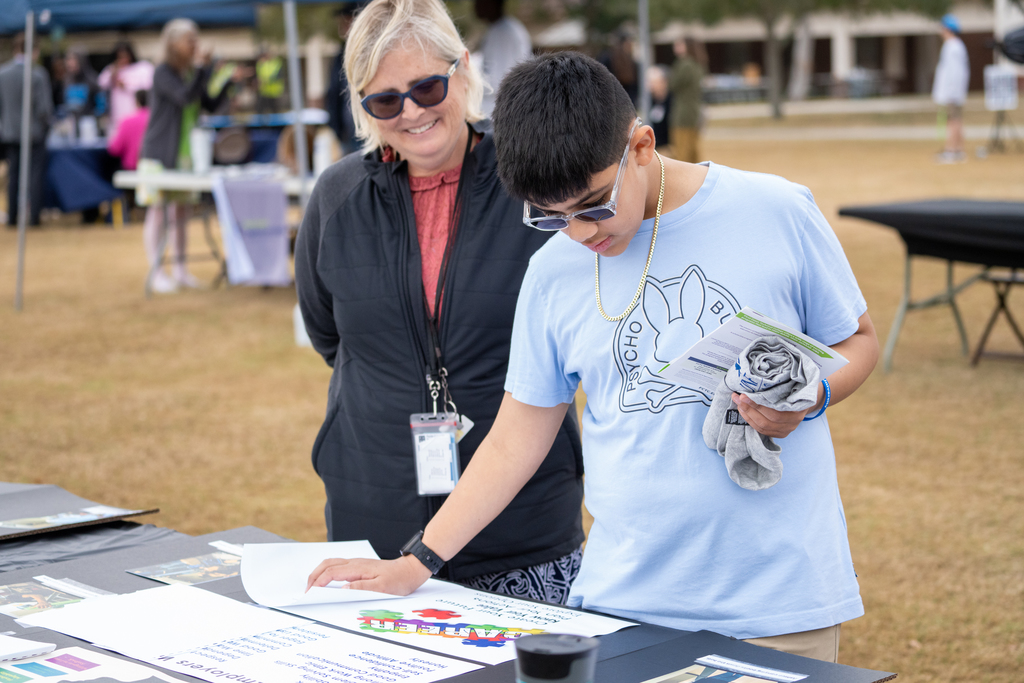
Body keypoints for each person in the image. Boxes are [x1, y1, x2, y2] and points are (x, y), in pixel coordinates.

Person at [308, 52, 881, 664]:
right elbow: (514, 441)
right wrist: (415, 563)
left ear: (640, 146)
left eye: (593, 204)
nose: (580, 233)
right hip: (620, 607)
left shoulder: (776, 211)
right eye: (548, 217)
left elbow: (858, 340)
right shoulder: (552, 270)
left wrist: (808, 395)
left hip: (779, 603)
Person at [295, 0, 585, 604]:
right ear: (362, 106)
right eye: (385, 100)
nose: (412, 112)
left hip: (521, 529)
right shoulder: (335, 197)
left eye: (428, 87)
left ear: (465, 69)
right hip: (373, 525)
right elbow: (330, 334)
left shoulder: (532, 184)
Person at [139, 18, 234, 293]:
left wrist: (226, 80)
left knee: (180, 212)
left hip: (186, 154)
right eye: (189, 40)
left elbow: (208, 103)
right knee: (158, 211)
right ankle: (157, 271)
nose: (195, 44)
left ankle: (180, 269)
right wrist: (204, 69)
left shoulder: (192, 72)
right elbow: (184, 97)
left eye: (196, 38)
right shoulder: (163, 72)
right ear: (173, 43)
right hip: (160, 153)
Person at [0, 33, 53, 228]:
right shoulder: (38, 74)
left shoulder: (2, 73)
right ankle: (34, 218)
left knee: (13, 176)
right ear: (35, 50)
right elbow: (44, 110)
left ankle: (12, 217)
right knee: (35, 176)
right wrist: (47, 128)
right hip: (34, 134)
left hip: (10, 133)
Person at [474, 0, 532, 116]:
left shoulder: (504, 33)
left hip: (499, 116)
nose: (475, 6)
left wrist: (468, 82)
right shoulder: (499, 29)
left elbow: (500, 81)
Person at [325, 2, 365, 154]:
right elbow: (334, 92)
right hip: (349, 131)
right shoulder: (342, 54)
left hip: (366, 128)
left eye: (346, 19)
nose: (342, 24)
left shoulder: (372, 52)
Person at [932, 14, 970, 163]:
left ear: (947, 29)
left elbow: (954, 73)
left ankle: (951, 151)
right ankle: (959, 150)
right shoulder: (956, 45)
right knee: (957, 120)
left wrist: (950, 93)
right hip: (955, 92)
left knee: (953, 121)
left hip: (952, 92)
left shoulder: (952, 47)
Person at [97, 41, 154, 137]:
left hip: (135, 114)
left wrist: (127, 87)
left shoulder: (141, 68)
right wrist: (112, 75)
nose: (123, 59)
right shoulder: (113, 69)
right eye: (120, 57)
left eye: (125, 56)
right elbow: (101, 83)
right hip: (117, 116)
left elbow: (147, 87)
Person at [669, 38, 704, 163]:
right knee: (692, 150)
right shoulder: (696, 63)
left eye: (679, 44)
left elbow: (673, 85)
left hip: (683, 112)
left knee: (682, 151)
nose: (675, 47)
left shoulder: (685, 64)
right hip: (693, 110)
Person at [108, 89, 149, 171]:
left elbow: (115, 149)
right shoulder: (156, 121)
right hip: (153, 167)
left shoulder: (127, 121)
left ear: (136, 102)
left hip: (131, 169)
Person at [645, 64, 671, 153]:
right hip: (652, 147)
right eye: (649, 82)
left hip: (667, 147)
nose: (651, 86)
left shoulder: (671, 101)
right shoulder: (647, 101)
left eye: (654, 82)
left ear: (664, 82)